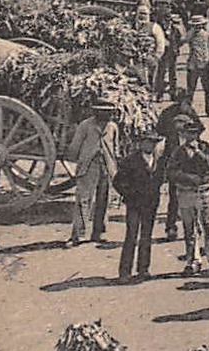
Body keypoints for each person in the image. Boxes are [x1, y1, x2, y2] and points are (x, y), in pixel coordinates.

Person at [166, 115, 209, 276]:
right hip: (186, 193)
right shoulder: (178, 152)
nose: (191, 136)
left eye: (194, 133)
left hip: (203, 192)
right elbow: (171, 172)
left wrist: (197, 152)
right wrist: (189, 178)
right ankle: (193, 260)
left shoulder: (205, 147)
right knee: (190, 229)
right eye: (188, 133)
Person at [113, 131, 163, 281]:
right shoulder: (130, 161)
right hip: (134, 204)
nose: (151, 145)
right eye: (148, 142)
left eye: (154, 143)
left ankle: (143, 269)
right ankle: (125, 272)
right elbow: (117, 182)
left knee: (146, 237)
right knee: (131, 236)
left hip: (151, 204)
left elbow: (160, 179)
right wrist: (129, 194)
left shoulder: (158, 161)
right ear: (141, 143)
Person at [68, 103, 120, 246]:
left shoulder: (112, 127)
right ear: (96, 112)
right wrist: (79, 164)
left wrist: (114, 167)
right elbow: (75, 147)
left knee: (103, 201)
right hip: (89, 167)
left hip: (107, 167)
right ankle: (79, 234)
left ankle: (98, 233)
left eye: (108, 112)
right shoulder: (85, 126)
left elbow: (116, 148)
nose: (106, 115)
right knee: (84, 200)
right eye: (102, 112)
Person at [155, 91, 199, 241]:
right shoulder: (182, 112)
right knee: (175, 196)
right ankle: (172, 227)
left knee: (183, 197)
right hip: (176, 161)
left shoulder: (173, 112)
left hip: (187, 161)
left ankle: (182, 227)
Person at [185, 14, 209, 116]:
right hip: (193, 65)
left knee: (208, 88)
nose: (197, 28)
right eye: (195, 26)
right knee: (190, 89)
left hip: (205, 65)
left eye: (199, 25)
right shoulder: (190, 35)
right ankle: (187, 108)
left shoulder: (207, 35)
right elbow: (183, 40)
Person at [151, 0, 184, 101]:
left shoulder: (174, 22)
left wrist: (176, 45)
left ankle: (172, 93)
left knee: (172, 72)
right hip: (163, 49)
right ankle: (160, 94)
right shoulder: (156, 21)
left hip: (172, 49)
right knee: (161, 72)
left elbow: (180, 36)